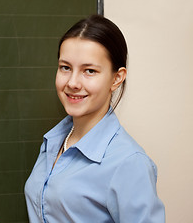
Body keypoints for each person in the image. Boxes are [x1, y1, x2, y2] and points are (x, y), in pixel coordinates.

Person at [24, 15, 165, 222]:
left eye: (89, 71)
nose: (72, 82)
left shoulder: (128, 163)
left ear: (117, 78)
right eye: (65, 67)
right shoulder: (53, 141)